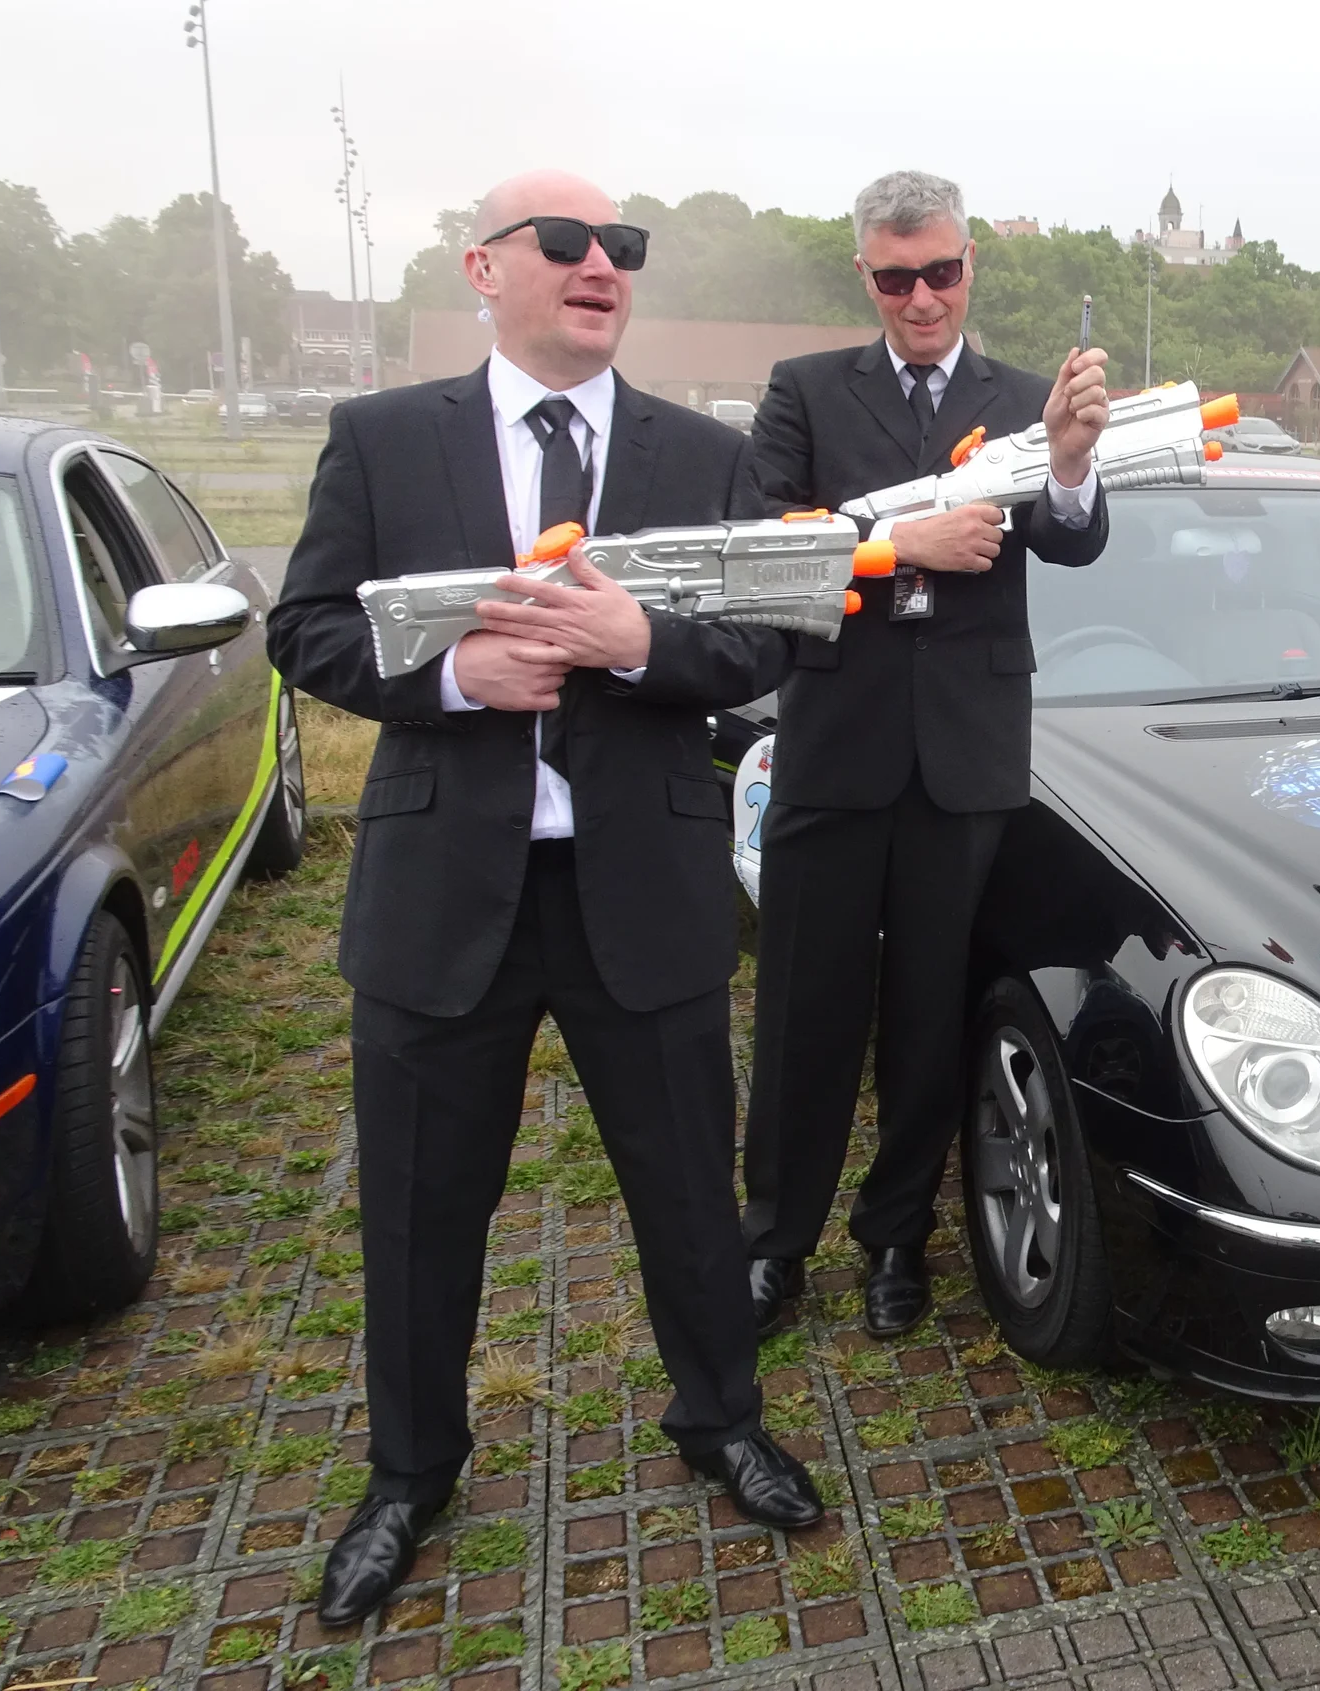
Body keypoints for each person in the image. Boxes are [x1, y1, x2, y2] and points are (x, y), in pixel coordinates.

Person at [269, 171, 821, 1629]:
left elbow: (765, 642)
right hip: (445, 888)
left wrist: (641, 641)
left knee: (693, 1193)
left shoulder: (698, 452)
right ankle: (408, 1471)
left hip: (639, 880)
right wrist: (457, 677)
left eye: (620, 247)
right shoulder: (385, 438)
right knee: (417, 1202)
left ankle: (721, 1419)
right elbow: (308, 629)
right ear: (484, 267)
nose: (599, 264)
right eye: (565, 242)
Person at [742, 170, 1109, 1341]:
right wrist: (903, 544)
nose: (920, 297)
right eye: (897, 277)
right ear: (867, 276)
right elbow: (764, 548)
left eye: (940, 273)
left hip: (965, 755)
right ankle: (774, 1241)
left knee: (928, 1013)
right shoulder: (803, 394)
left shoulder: (1018, 397)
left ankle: (896, 1236)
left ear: (966, 269)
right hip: (836, 747)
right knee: (807, 1009)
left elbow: (1077, 540)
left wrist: (1065, 458)